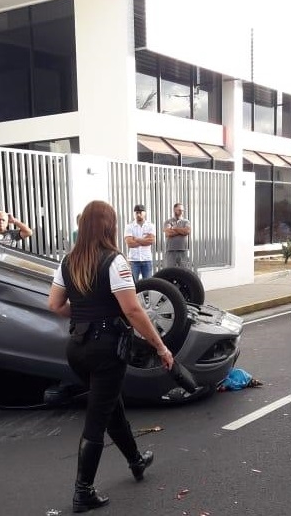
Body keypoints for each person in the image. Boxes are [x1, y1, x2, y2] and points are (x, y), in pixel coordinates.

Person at [48, 200, 174, 513]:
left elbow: (54, 305)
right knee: (97, 419)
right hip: (107, 350)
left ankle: (136, 461)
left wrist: (82, 316)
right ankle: (83, 491)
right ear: (109, 226)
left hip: (77, 348)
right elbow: (133, 310)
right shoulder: (115, 262)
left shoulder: (68, 260)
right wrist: (160, 346)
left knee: (109, 405)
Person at [124, 204, 156, 281]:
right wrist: (144, 240)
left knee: (148, 284)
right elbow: (130, 243)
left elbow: (151, 241)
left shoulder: (150, 226)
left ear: (145, 213)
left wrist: (136, 239)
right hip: (133, 261)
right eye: (136, 212)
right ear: (134, 214)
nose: (138, 214)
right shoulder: (129, 226)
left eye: (140, 212)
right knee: (133, 284)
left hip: (147, 259)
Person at [163, 202, 191, 268]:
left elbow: (187, 231)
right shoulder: (168, 221)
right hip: (171, 250)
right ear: (174, 210)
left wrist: (174, 228)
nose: (181, 212)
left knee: (183, 272)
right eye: (179, 210)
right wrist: (181, 231)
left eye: (182, 210)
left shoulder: (186, 222)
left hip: (183, 250)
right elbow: (168, 233)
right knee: (170, 271)